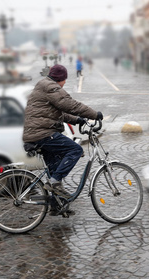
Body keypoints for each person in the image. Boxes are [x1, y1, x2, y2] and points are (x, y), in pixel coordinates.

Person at [23, 64, 103, 213]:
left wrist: (78, 120)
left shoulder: (44, 85)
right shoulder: (51, 87)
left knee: (54, 169)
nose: (65, 83)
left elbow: (59, 113)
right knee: (76, 150)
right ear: (61, 79)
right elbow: (69, 105)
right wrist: (94, 114)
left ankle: (56, 205)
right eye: (65, 80)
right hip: (42, 133)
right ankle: (55, 182)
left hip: (36, 132)